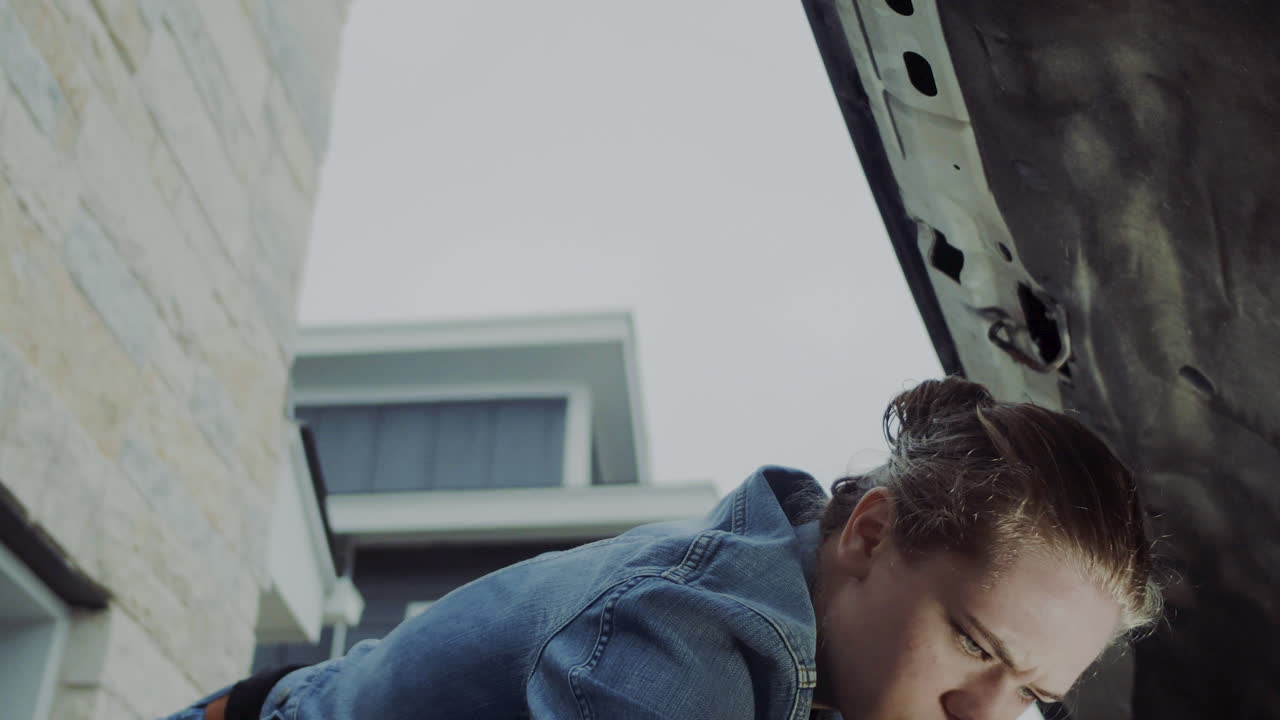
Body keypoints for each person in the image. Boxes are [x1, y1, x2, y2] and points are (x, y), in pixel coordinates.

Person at [162, 376, 1162, 720]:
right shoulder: (683, 643)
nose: (977, 715)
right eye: (975, 647)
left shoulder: (837, 647)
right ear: (868, 535)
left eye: (1031, 695)